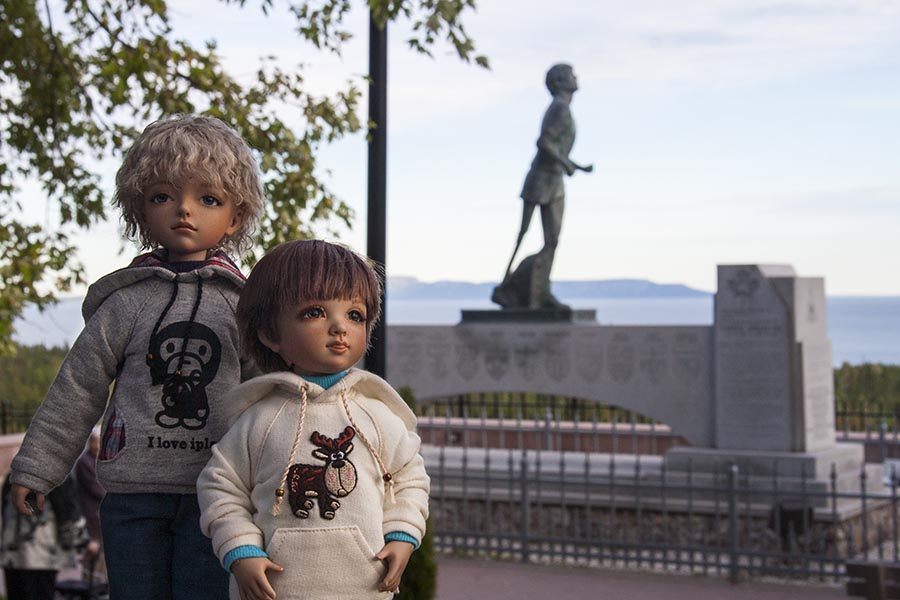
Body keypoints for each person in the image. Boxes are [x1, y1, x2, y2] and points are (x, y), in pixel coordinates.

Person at [8, 114, 265, 600]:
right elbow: (77, 389)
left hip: (219, 493)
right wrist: (37, 468)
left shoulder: (243, 306)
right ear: (139, 209)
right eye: (163, 196)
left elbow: (269, 394)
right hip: (130, 496)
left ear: (235, 216)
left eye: (207, 199)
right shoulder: (125, 303)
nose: (184, 210)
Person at [197, 239, 430, 600]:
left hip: (364, 588)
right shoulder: (258, 418)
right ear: (270, 334)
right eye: (314, 312)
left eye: (355, 315)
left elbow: (409, 478)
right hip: (277, 590)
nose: (340, 326)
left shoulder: (379, 414)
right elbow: (221, 488)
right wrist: (240, 550)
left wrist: (403, 533)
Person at [495, 63, 593, 310]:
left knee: (552, 239)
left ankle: (538, 292)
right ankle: (510, 288)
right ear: (560, 82)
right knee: (524, 234)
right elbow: (544, 143)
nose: (576, 77)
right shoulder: (559, 109)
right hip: (542, 179)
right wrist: (567, 164)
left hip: (555, 180)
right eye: (571, 75)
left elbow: (554, 148)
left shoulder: (563, 109)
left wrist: (575, 166)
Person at [1, 474, 83, 600]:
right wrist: (77, 542)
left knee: (16, 593)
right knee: (41, 592)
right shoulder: (57, 474)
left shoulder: (16, 471)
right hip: (43, 553)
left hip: (13, 551)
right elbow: (67, 511)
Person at [73, 427, 105, 580]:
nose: (98, 446)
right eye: (96, 442)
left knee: (103, 558)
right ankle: (91, 587)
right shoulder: (85, 462)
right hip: (91, 516)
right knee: (93, 555)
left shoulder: (100, 460)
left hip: (101, 516)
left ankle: (101, 587)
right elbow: (97, 489)